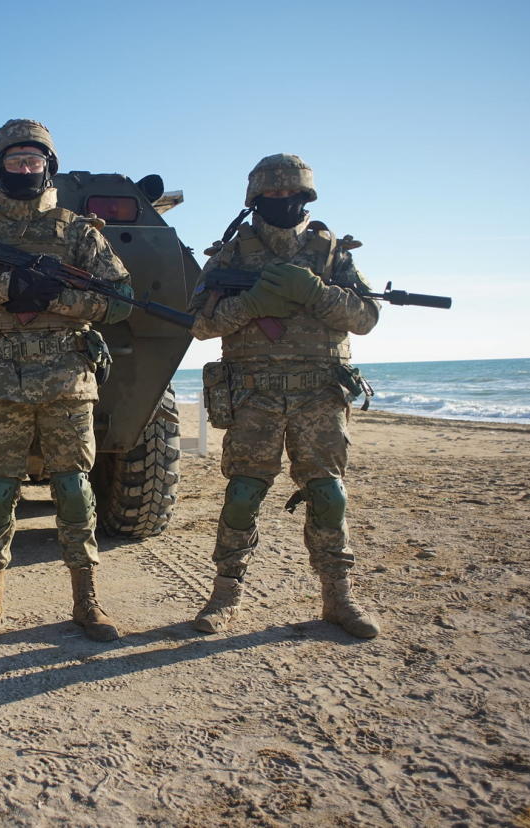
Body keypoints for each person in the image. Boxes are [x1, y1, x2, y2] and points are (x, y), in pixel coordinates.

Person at [0, 119, 132, 642]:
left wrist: (53, 298)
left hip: (67, 378)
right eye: (16, 160)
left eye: (34, 160)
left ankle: (87, 601)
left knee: (73, 490)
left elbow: (118, 303)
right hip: (0, 380)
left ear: (49, 166)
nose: (26, 168)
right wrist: (1, 290)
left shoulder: (81, 232)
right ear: (0, 168)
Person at [188, 153, 382, 639]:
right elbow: (199, 324)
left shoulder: (330, 252)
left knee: (329, 494)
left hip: (319, 394)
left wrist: (316, 293)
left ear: (305, 197)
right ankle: (225, 593)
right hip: (254, 394)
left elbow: (366, 317)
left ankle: (338, 596)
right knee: (243, 494)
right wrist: (252, 305)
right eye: (271, 195)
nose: (282, 201)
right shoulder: (231, 255)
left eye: (290, 194)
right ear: (255, 199)